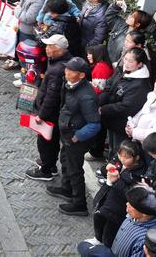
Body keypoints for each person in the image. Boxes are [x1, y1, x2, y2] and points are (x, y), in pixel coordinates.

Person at [46, 57, 101, 215]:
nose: (66, 72)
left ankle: (79, 203)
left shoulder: (86, 96)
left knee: (75, 169)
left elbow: (94, 124)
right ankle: (66, 188)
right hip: (68, 132)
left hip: (75, 137)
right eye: (66, 69)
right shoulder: (70, 84)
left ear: (81, 75)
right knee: (65, 161)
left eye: (71, 70)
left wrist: (77, 136)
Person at [26, 34, 72, 182]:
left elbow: (52, 96)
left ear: (59, 50)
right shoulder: (61, 62)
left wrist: (42, 115)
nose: (46, 49)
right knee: (50, 140)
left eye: (50, 46)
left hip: (51, 113)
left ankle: (46, 169)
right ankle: (49, 163)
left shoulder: (58, 69)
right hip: (56, 111)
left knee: (46, 141)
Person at [78, 185, 156, 257]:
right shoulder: (137, 215)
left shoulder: (146, 242)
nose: (127, 204)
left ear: (144, 214)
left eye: (131, 205)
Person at [89, 140, 149, 248]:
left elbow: (130, 194)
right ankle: (98, 239)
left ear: (137, 158)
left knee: (109, 231)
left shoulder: (139, 175)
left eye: (127, 157)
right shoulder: (118, 162)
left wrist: (115, 181)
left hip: (119, 208)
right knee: (98, 217)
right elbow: (104, 170)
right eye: (120, 155)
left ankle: (106, 249)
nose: (122, 159)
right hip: (107, 199)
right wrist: (107, 168)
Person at [98, 48, 151, 161]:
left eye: (130, 61)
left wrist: (104, 109)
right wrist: (101, 100)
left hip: (122, 123)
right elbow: (109, 84)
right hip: (111, 118)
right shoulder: (122, 71)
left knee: (119, 150)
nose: (126, 63)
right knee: (112, 147)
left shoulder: (140, 85)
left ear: (139, 64)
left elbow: (126, 107)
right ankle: (109, 167)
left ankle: (116, 172)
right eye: (125, 59)